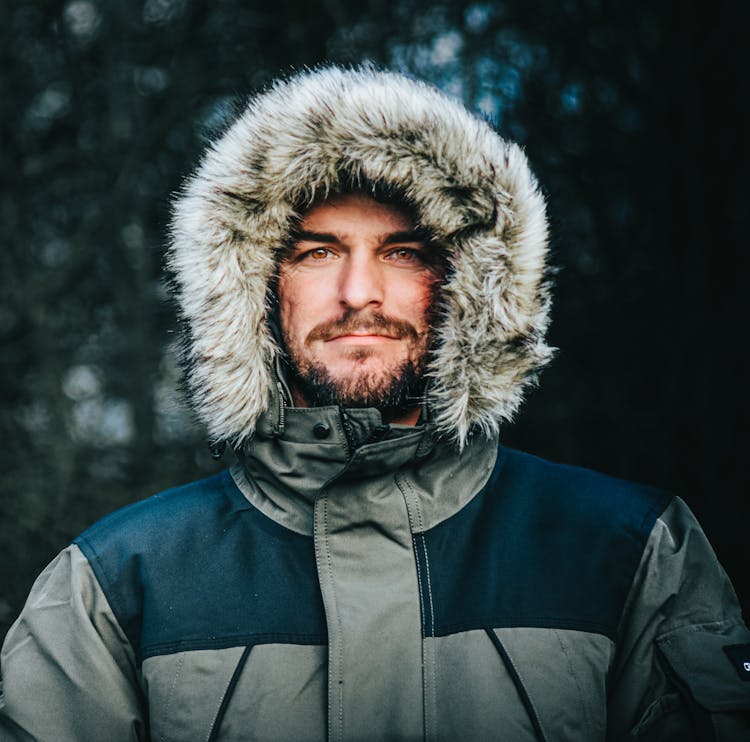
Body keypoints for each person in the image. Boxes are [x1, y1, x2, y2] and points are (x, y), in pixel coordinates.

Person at [1, 65, 749, 742]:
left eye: (404, 252)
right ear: (257, 288)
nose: (360, 293)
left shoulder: (631, 552)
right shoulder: (117, 583)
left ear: (469, 283)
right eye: (317, 252)